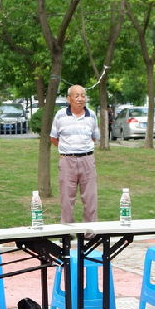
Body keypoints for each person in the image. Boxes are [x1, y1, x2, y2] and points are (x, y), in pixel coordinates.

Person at [50, 84, 99, 223]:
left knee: (90, 198)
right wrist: (68, 149)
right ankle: (67, 231)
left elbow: (94, 137)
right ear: (68, 99)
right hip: (67, 161)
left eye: (83, 96)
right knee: (66, 199)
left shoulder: (92, 115)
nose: (80, 99)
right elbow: (53, 138)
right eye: (76, 96)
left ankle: (90, 231)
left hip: (87, 160)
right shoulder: (60, 115)